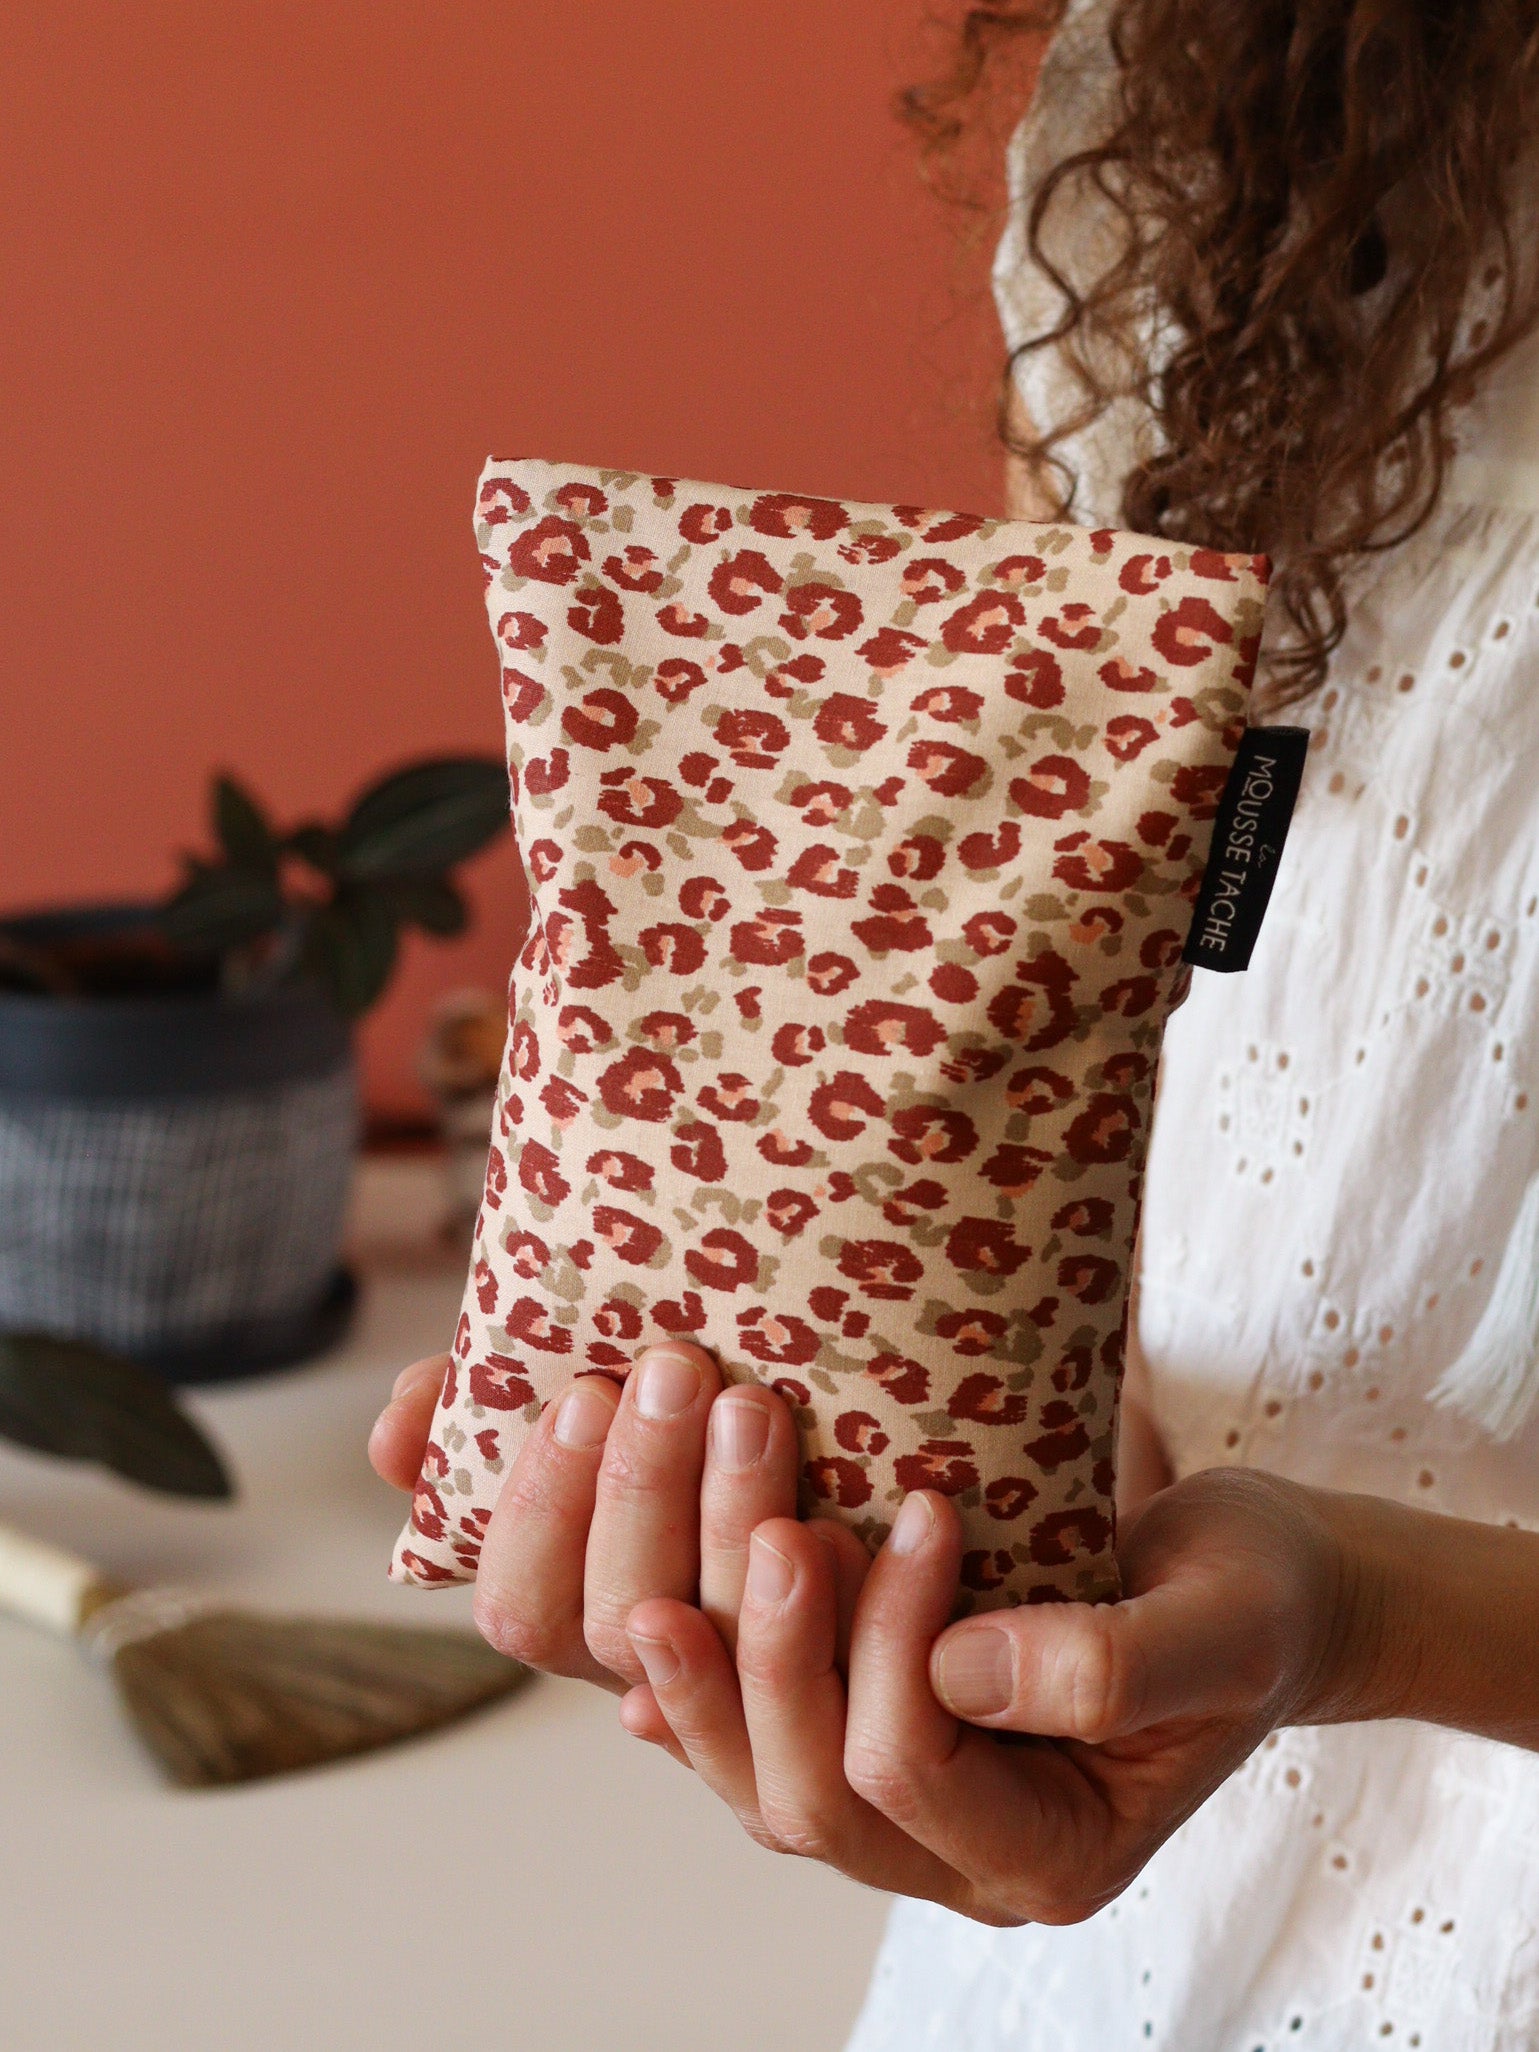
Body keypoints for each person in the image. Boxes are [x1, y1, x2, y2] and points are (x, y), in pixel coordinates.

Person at [371, 1, 1539, 2040]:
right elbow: (1087, 1051)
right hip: (1143, 1928)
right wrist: (975, 1486)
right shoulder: (1232, 97)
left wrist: (1369, 1619)